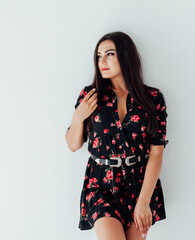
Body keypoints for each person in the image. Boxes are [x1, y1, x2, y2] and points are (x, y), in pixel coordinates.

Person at [65, 31, 169, 240]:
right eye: (98, 56)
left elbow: (156, 154)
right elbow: (73, 145)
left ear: (125, 56)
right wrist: (78, 117)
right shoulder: (90, 95)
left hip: (139, 183)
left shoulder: (152, 98)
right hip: (100, 182)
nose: (102, 61)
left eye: (109, 54)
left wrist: (143, 202)